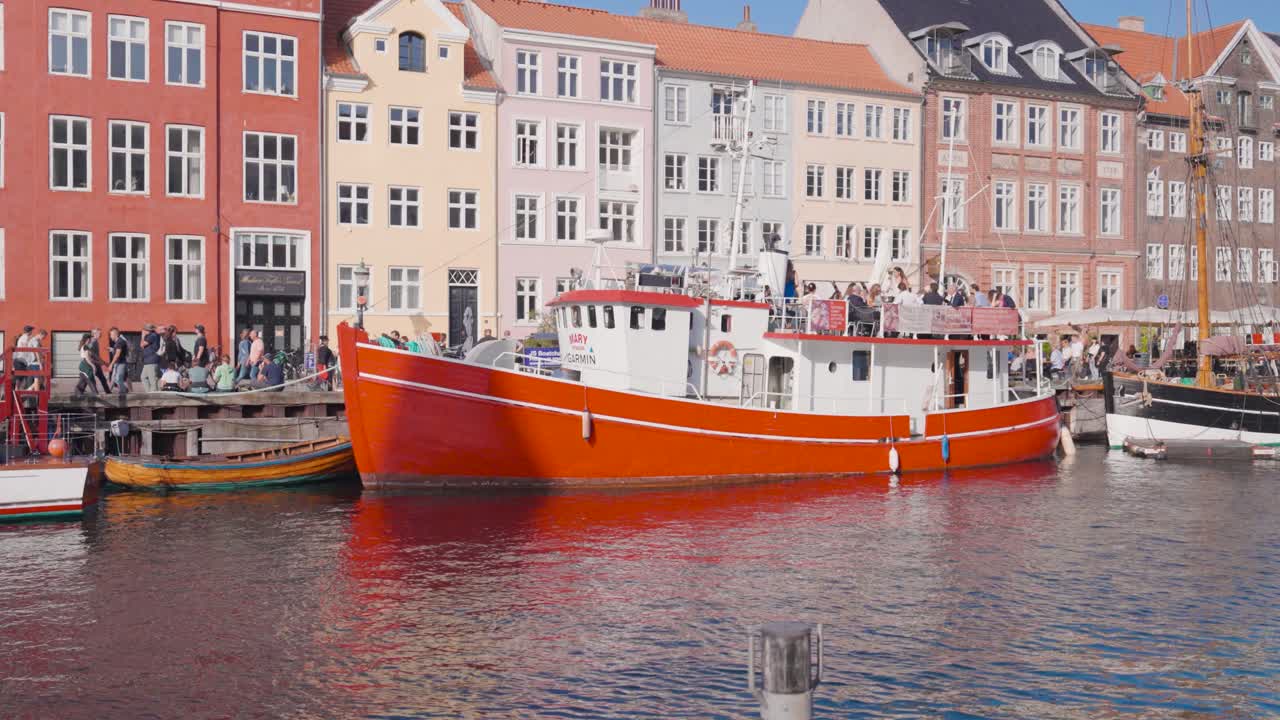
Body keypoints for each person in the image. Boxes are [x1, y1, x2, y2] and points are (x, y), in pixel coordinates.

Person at [86, 329, 112, 394]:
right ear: (94, 334)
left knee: (101, 378)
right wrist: (102, 363)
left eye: (100, 333)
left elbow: (96, 355)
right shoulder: (92, 342)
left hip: (95, 363)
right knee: (88, 379)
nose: (100, 334)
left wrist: (102, 362)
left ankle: (107, 392)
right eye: (99, 333)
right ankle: (98, 392)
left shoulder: (96, 341)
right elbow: (89, 354)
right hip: (91, 364)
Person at [107, 327, 130, 396]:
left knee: (118, 379)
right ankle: (108, 392)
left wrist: (111, 364)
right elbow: (117, 351)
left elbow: (117, 354)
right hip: (118, 363)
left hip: (120, 363)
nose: (110, 337)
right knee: (113, 379)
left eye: (111, 335)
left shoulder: (120, 342)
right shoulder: (118, 342)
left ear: (115, 334)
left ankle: (123, 392)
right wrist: (112, 349)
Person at [140, 323, 162, 392]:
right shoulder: (152, 335)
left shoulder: (152, 336)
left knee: (152, 380)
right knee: (143, 377)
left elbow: (142, 345)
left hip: (151, 360)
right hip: (148, 360)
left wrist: (143, 336)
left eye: (144, 330)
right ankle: (149, 392)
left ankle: (153, 395)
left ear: (147, 330)